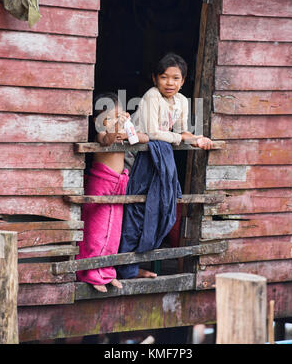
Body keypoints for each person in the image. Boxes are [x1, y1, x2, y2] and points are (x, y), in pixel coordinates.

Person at [117, 53, 214, 279]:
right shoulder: (152, 96)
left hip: (152, 160)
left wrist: (198, 138)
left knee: (150, 211)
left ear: (183, 80)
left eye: (175, 78)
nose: (169, 83)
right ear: (154, 78)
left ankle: (134, 266)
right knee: (131, 210)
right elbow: (151, 133)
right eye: (164, 77)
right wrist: (179, 139)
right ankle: (123, 267)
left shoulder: (181, 101)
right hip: (132, 159)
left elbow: (181, 132)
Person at [76, 92, 149, 293]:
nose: (114, 122)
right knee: (97, 233)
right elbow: (105, 139)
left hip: (118, 185)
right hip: (101, 183)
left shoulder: (125, 131)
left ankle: (107, 273)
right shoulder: (100, 134)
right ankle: (91, 273)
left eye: (118, 116)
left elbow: (143, 139)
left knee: (113, 234)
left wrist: (127, 129)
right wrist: (111, 134)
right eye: (108, 119)